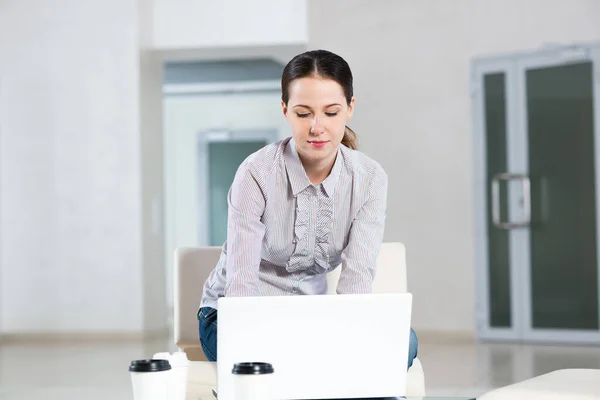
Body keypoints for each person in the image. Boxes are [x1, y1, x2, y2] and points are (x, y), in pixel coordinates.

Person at [198, 49, 418, 368]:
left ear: (350, 109)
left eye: (331, 112)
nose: (317, 127)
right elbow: (241, 288)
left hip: (311, 315)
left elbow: (357, 282)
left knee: (403, 342)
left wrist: (356, 333)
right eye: (303, 113)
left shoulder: (370, 179)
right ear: (285, 110)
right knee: (281, 355)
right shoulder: (255, 173)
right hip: (234, 317)